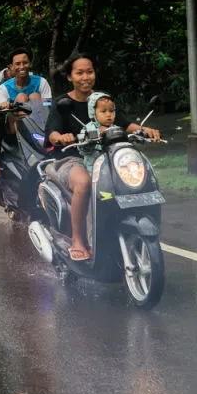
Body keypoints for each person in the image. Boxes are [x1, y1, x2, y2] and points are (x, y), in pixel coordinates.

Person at [44, 54, 161, 262]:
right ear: (70, 77)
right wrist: (62, 137)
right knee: (84, 183)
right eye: (79, 73)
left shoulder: (103, 100)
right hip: (72, 159)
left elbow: (125, 123)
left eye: (89, 71)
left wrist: (145, 130)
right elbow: (51, 133)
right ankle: (78, 240)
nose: (85, 77)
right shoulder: (63, 104)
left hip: (106, 157)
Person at [0, 48, 52, 180]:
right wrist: (5, 105)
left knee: (35, 96)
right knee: (21, 97)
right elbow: (1, 107)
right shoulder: (4, 88)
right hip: (14, 125)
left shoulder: (42, 82)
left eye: (25, 63)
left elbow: (48, 106)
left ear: (30, 64)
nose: (22, 67)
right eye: (17, 64)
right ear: (11, 67)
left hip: (38, 124)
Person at [81, 92, 115, 172]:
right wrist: (95, 135)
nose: (108, 114)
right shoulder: (88, 128)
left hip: (113, 165)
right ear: (93, 113)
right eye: (103, 111)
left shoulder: (115, 128)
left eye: (111, 111)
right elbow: (83, 149)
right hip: (93, 168)